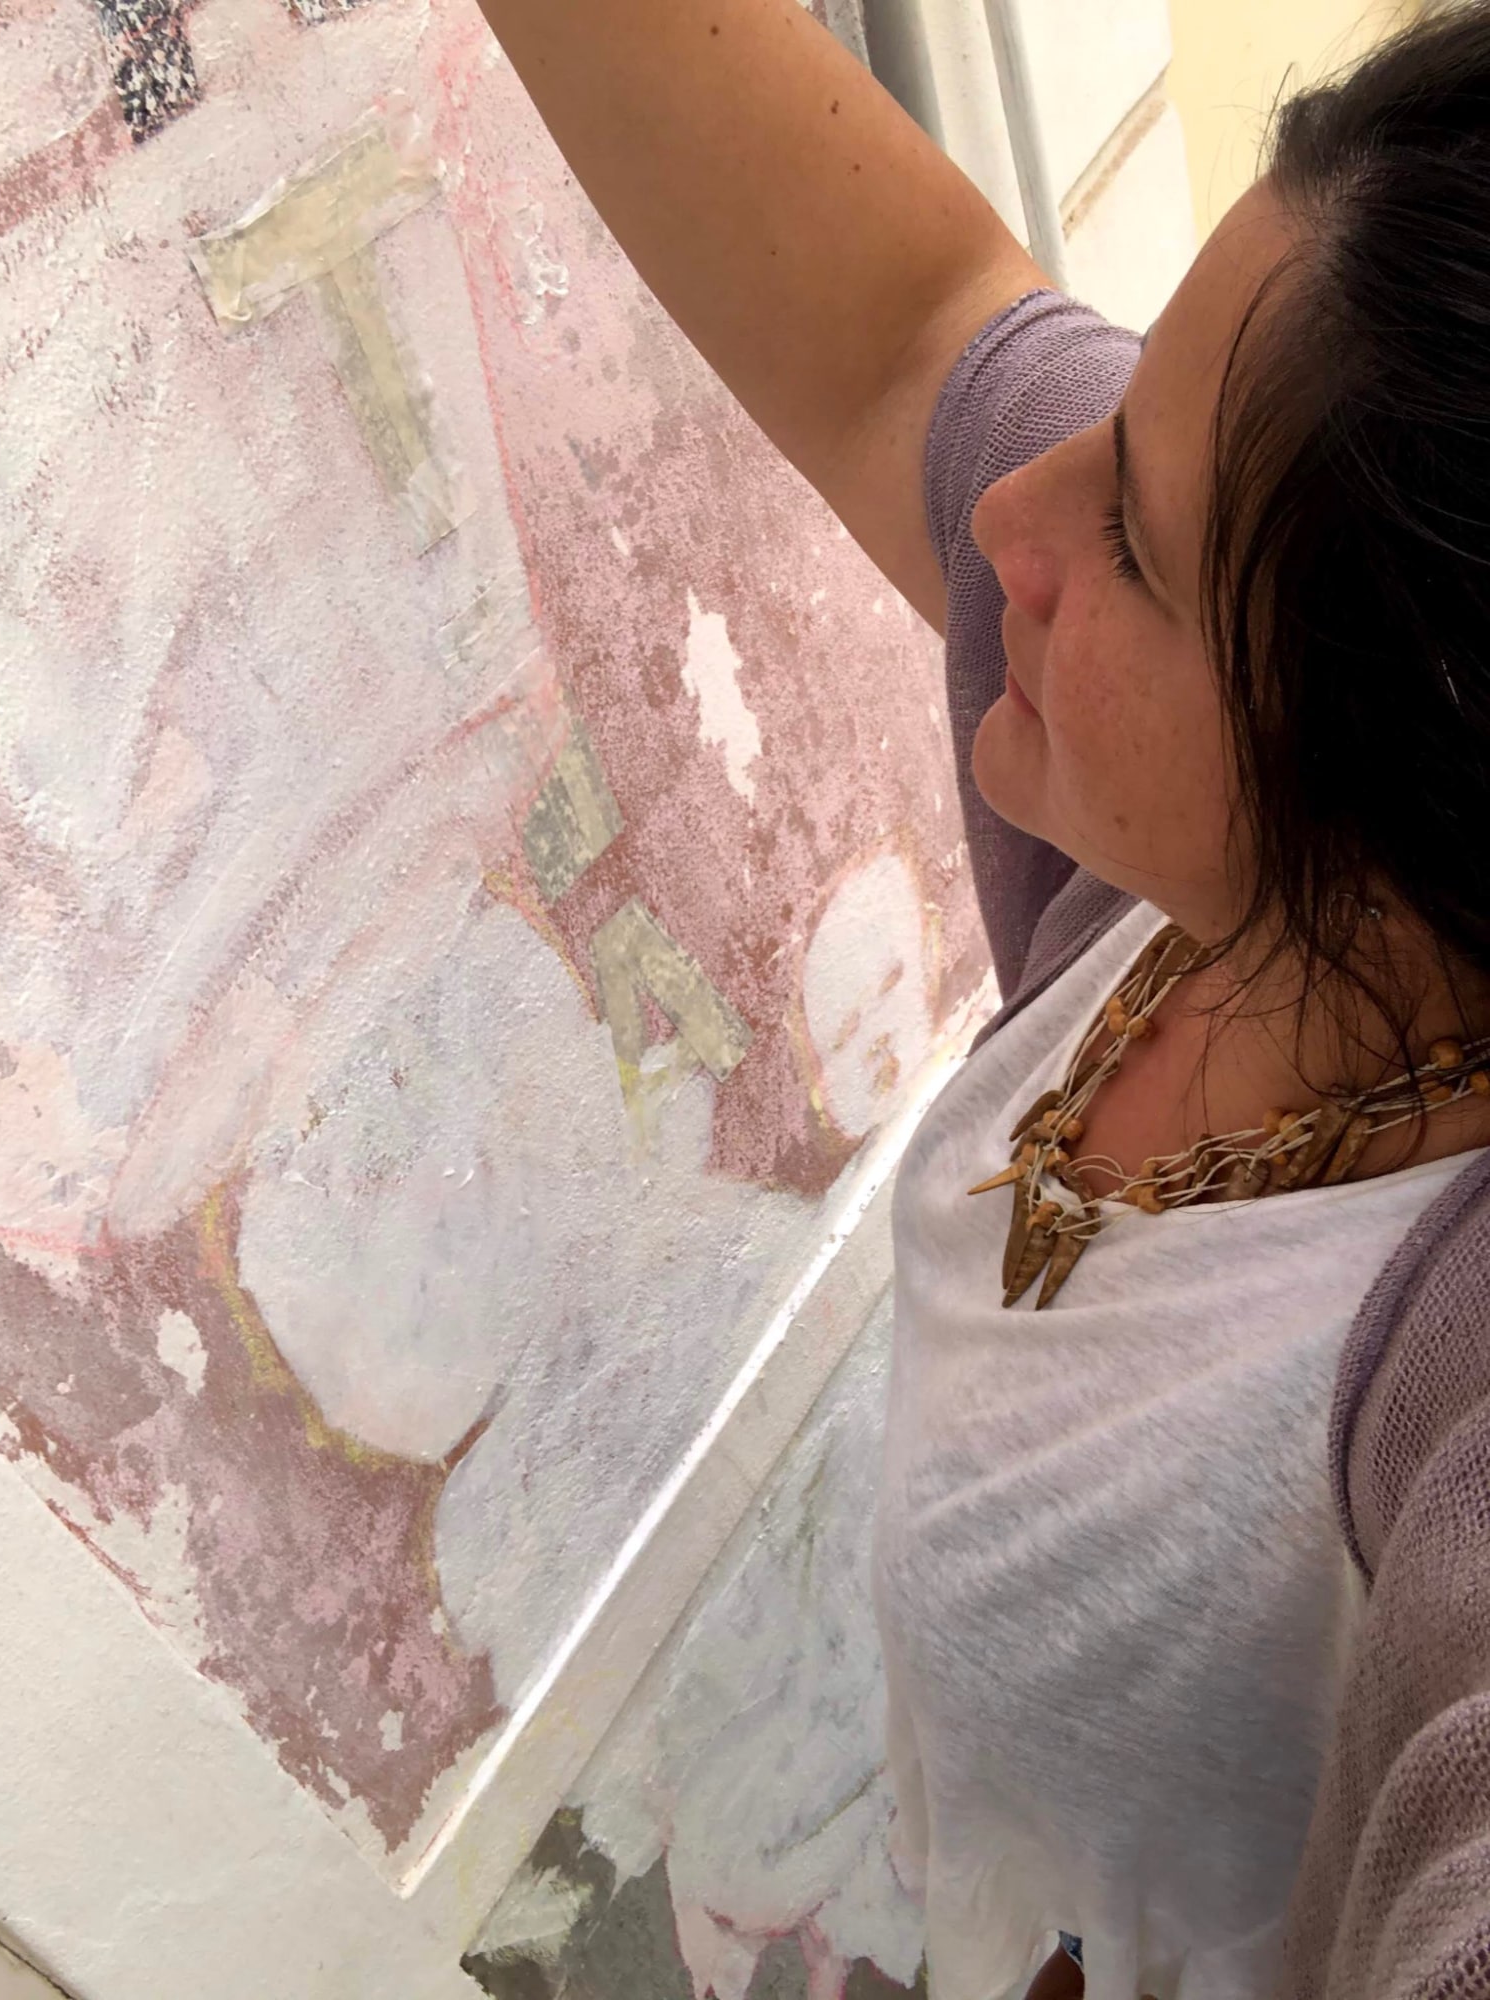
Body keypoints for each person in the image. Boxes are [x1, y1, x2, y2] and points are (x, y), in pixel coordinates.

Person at [473, 1, 1490, 1994]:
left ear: (1401, 809)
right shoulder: (1184, 885)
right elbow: (907, 327)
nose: (1009, 517)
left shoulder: (1442, 1372)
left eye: (1137, 548)